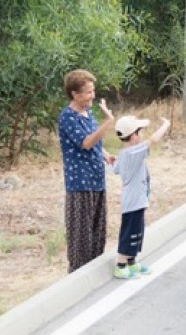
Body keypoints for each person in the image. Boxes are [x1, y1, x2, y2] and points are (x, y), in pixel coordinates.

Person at [58, 69, 115, 273]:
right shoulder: (67, 117)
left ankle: (94, 272)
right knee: (81, 233)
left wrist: (105, 154)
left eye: (93, 90)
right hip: (80, 182)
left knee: (97, 229)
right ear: (75, 94)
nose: (93, 95)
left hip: (96, 178)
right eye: (88, 92)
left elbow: (94, 141)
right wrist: (108, 123)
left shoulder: (88, 112)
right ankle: (77, 275)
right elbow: (86, 142)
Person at [112, 116, 171, 279]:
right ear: (133, 136)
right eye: (139, 131)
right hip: (133, 202)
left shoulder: (124, 153)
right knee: (129, 233)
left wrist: (107, 156)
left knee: (137, 232)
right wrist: (166, 124)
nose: (142, 134)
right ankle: (120, 265)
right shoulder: (132, 152)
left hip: (136, 200)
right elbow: (153, 140)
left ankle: (131, 262)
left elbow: (115, 167)